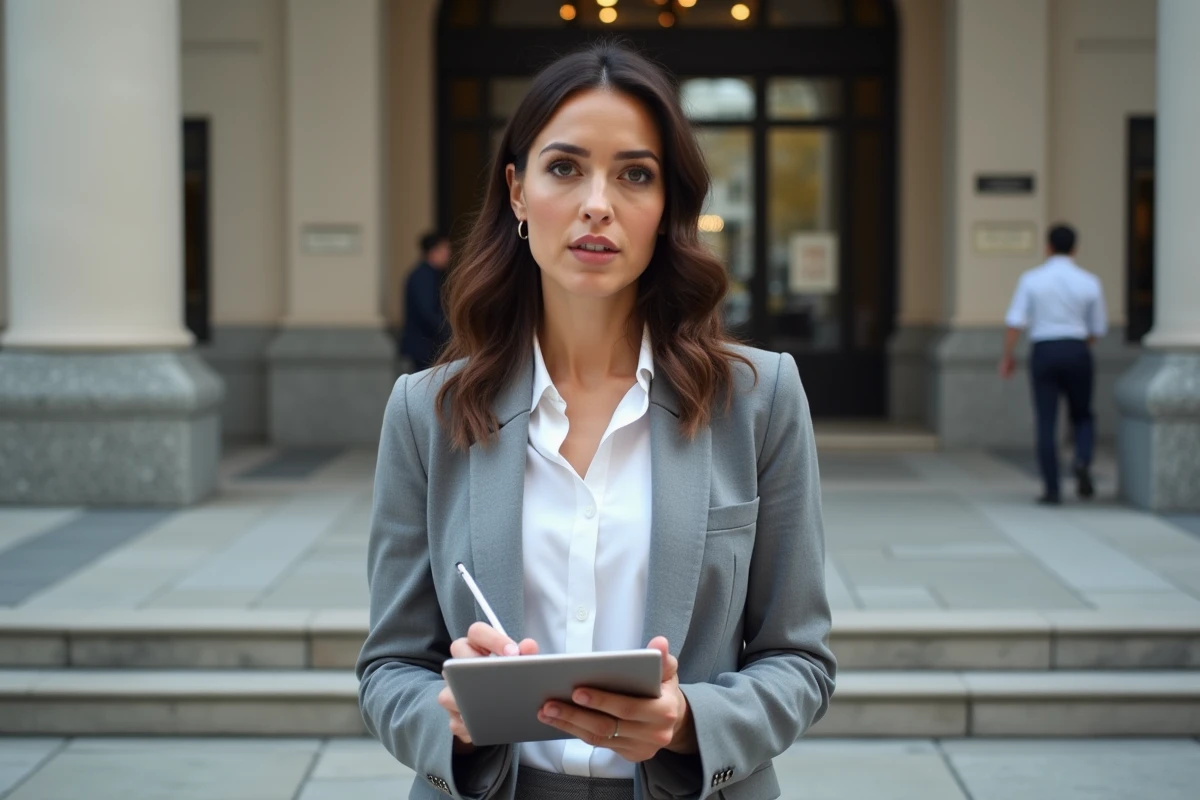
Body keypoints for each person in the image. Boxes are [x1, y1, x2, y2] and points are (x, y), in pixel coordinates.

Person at [357, 43, 834, 800]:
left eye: (635, 175)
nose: (597, 204)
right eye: (565, 168)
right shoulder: (427, 411)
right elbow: (389, 668)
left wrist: (689, 722)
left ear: (667, 207)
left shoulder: (758, 398)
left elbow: (800, 659)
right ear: (517, 191)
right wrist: (448, 716)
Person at [999, 224, 1108, 505]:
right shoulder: (1089, 281)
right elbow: (1097, 328)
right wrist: (1079, 347)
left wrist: (1008, 355)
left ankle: (1052, 488)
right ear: (1075, 249)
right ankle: (1083, 458)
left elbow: (1015, 321)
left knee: (1046, 420)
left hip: (1044, 350)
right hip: (1077, 348)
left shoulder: (1032, 279)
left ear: (1047, 247)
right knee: (1082, 414)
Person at [400, 231, 452, 372]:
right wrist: (449, 334)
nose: (448, 253)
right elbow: (428, 312)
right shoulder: (423, 277)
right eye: (444, 249)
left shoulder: (429, 275)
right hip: (425, 346)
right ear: (433, 251)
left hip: (426, 345)